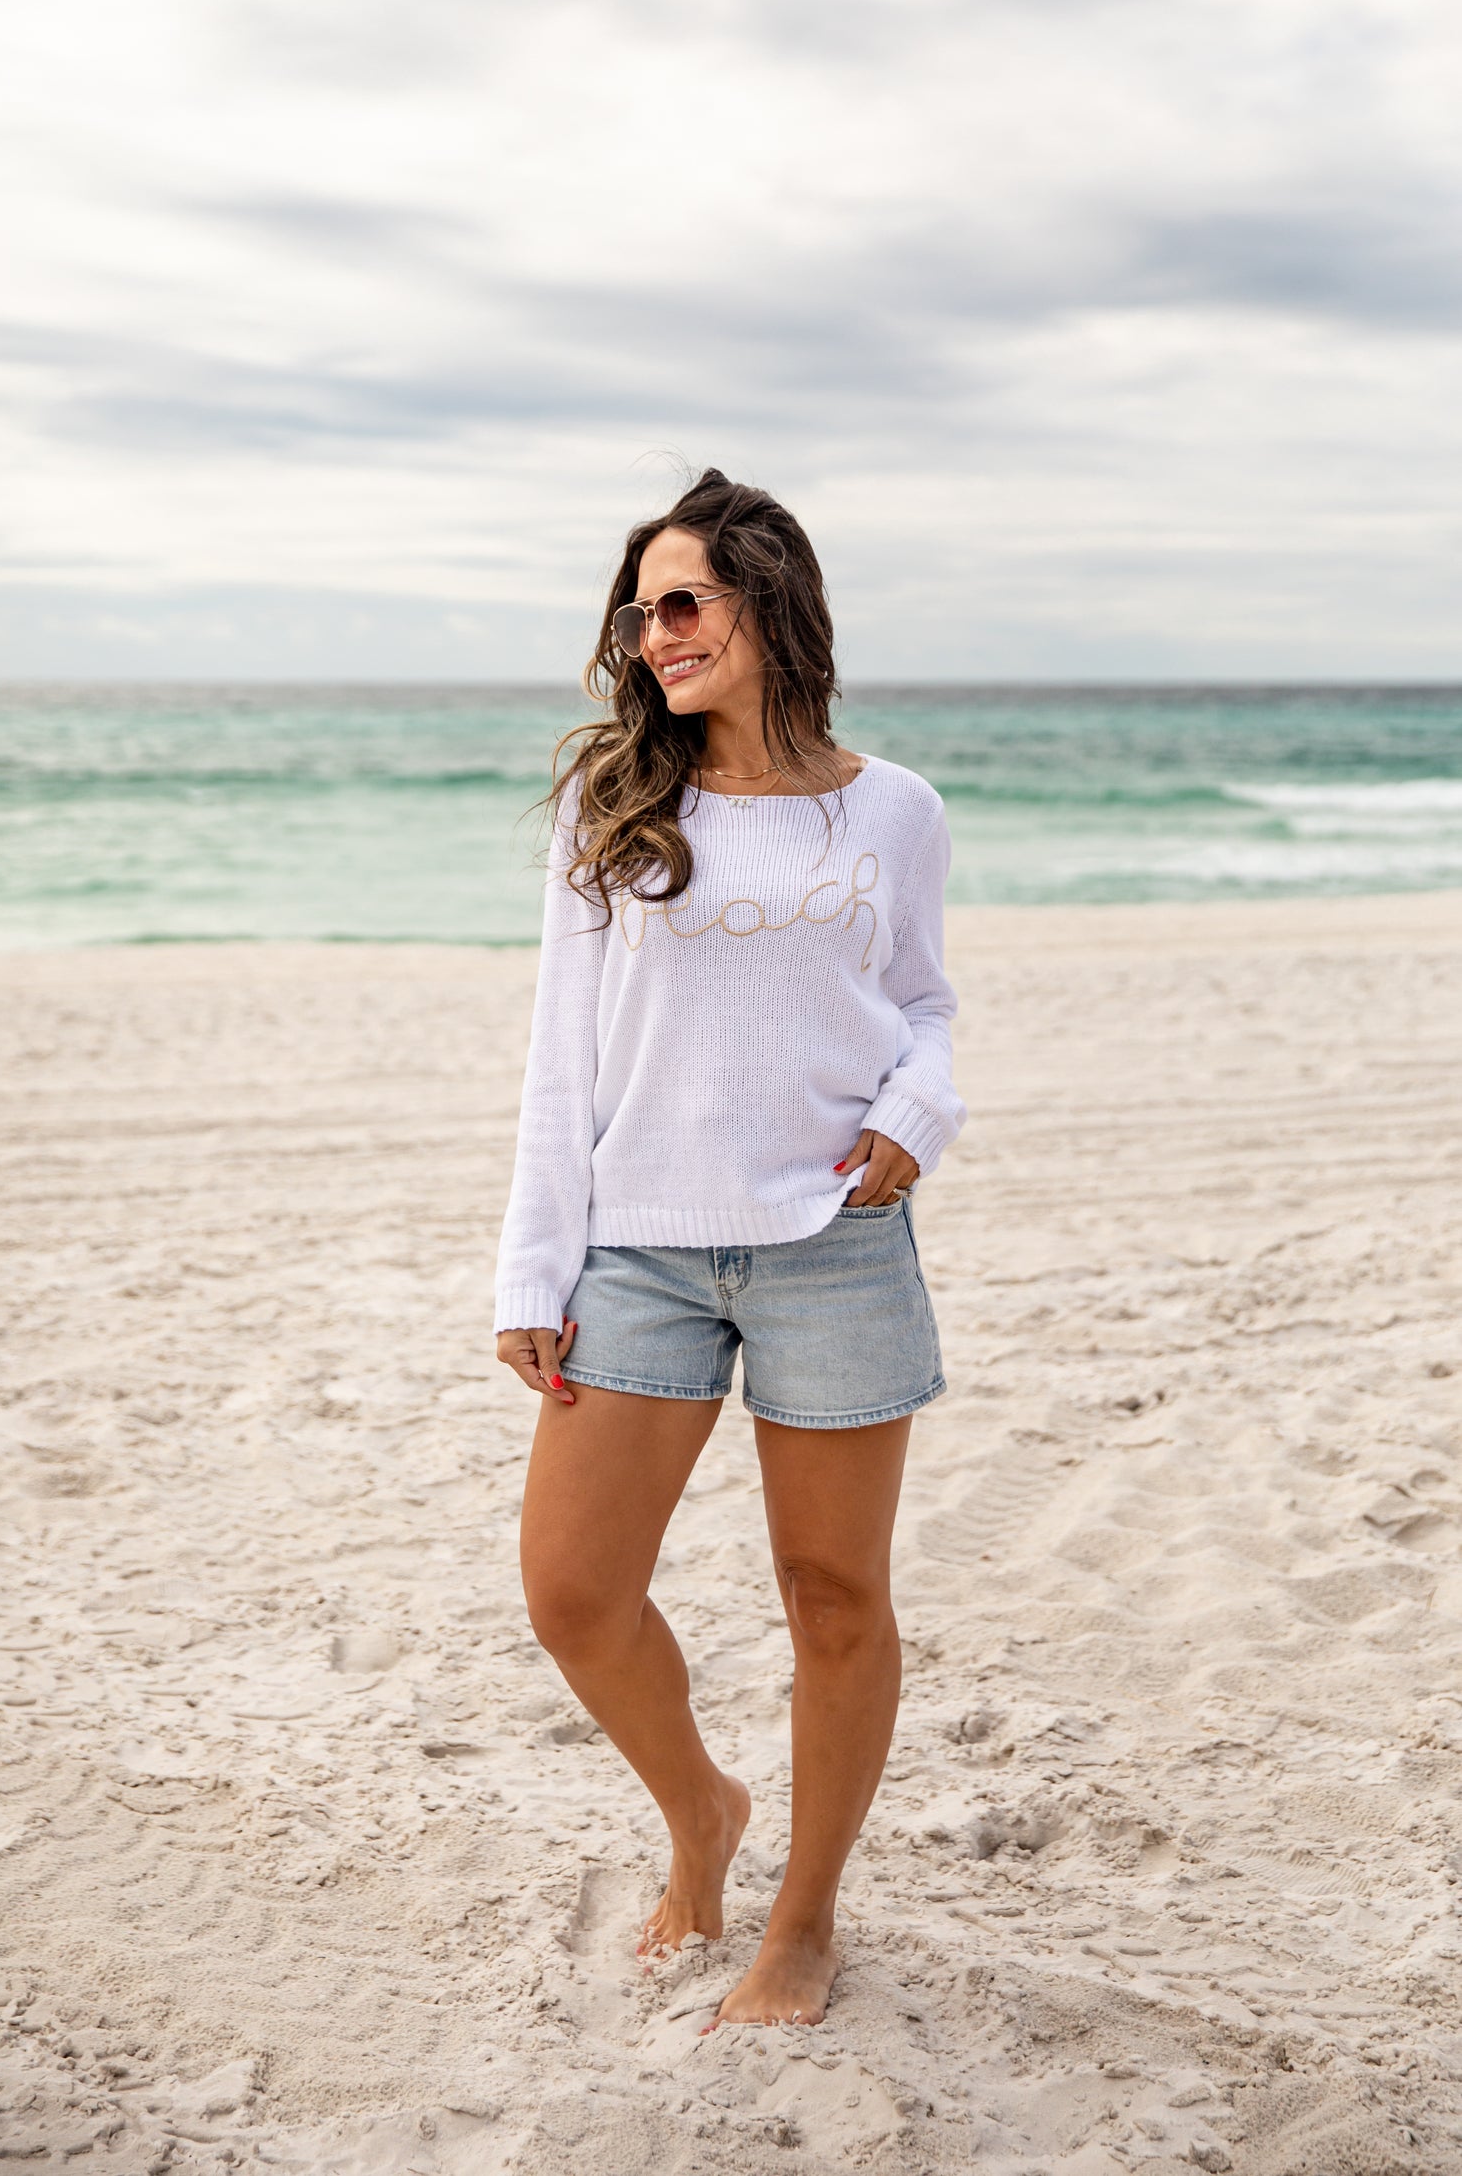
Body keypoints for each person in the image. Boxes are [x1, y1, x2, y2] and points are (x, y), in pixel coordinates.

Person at [493, 468, 964, 2028]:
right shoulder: (616, 802)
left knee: (834, 1595)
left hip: (837, 1236)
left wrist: (919, 1110)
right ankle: (702, 1808)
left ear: (768, 602)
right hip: (639, 1246)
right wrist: (530, 1270)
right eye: (640, 611)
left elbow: (925, 1006)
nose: (655, 633)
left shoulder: (891, 807)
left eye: (682, 601)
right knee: (574, 1590)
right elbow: (563, 1056)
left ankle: (803, 1923)